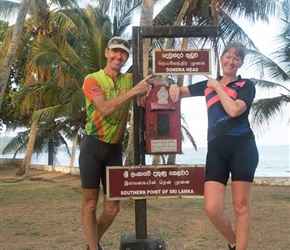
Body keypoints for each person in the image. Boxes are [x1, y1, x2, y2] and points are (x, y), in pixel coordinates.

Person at [79, 36, 167, 250]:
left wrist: (154, 86)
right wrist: (135, 92)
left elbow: (159, 80)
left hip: (114, 149)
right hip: (92, 145)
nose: (119, 56)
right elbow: (105, 108)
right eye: (115, 51)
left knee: (112, 208)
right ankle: (93, 247)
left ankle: (92, 244)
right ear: (106, 53)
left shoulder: (130, 79)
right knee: (90, 203)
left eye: (123, 54)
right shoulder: (93, 79)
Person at [169, 43, 259, 250]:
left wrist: (218, 87)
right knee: (212, 207)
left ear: (241, 63)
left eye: (236, 59)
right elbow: (179, 92)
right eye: (228, 56)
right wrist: (171, 85)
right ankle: (235, 241)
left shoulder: (246, 85)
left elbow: (235, 110)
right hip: (216, 150)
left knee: (241, 205)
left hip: (243, 147)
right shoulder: (207, 84)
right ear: (221, 58)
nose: (231, 61)